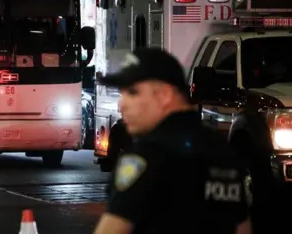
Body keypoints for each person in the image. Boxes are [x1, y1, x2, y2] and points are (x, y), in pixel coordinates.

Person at [93, 47, 251, 234]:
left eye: (133, 92)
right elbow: (242, 228)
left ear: (166, 95)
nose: (122, 104)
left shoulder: (145, 158)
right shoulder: (224, 154)